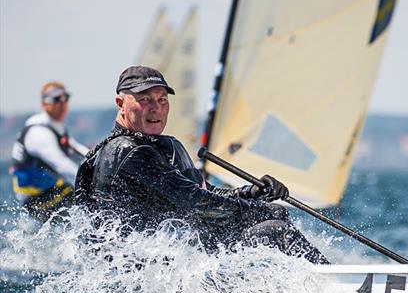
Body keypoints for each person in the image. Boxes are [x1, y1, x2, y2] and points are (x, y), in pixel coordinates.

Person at [75, 65, 327, 264]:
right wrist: (255, 209)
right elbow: (195, 203)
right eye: (145, 99)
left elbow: (203, 193)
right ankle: (335, 286)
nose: (156, 108)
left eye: (162, 99)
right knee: (275, 227)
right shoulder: (126, 151)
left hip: (182, 256)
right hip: (144, 274)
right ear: (121, 104)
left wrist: (253, 193)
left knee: (273, 214)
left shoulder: (166, 146)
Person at [9, 82, 89, 221]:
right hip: (34, 203)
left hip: (52, 192)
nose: (62, 103)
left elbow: (81, 152)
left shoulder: (56, 128)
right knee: (83, 196)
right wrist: (91, 185)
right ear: (44, 104)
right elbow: (63, 165)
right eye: (56, 99)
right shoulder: (38, 133)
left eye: (66, 98)